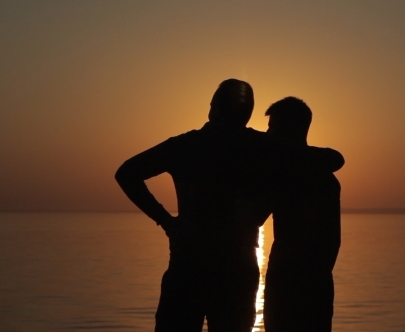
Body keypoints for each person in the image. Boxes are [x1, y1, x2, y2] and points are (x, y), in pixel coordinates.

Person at [115, 80, 343, 332]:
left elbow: (126, 173)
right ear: (247, 113)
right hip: (235, 271)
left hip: (189, 264)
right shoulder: (260, 146)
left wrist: (167, 222)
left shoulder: (185, 145)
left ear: (212, 108)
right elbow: (332, 159)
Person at [263, 97, 342, 332]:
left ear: (291, 128)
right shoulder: (323, 173)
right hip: (314, 281)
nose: (269, 133)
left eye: (273, 126)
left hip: (293, 281)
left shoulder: (294, 174)